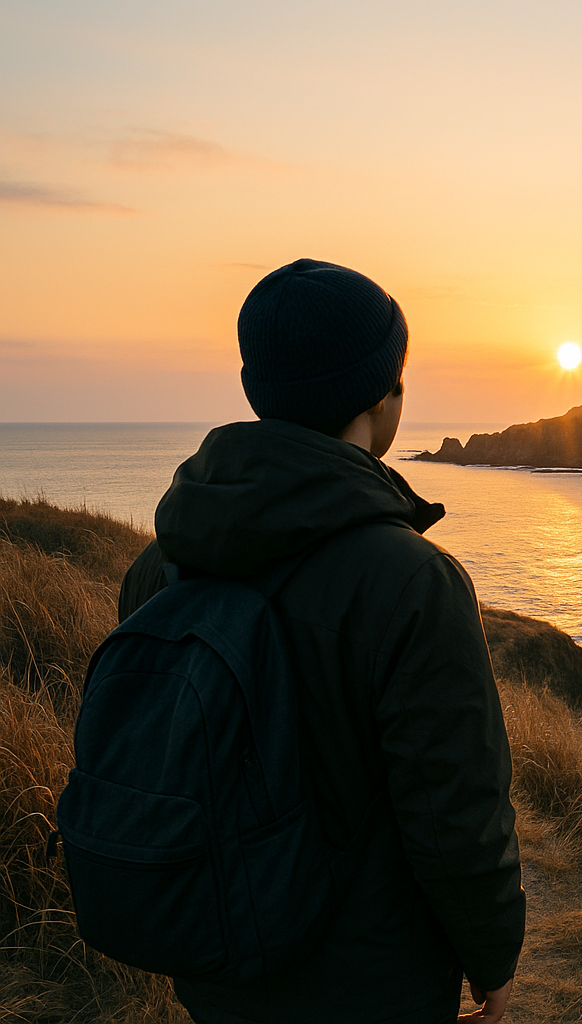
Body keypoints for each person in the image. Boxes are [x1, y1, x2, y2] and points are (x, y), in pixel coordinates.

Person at [117, 258, 524, 1024]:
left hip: (214, 957)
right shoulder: (413, 583)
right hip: (370, 981)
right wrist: (492, 955)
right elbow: (454, 813)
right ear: (382, 397)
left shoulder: (159, 563)